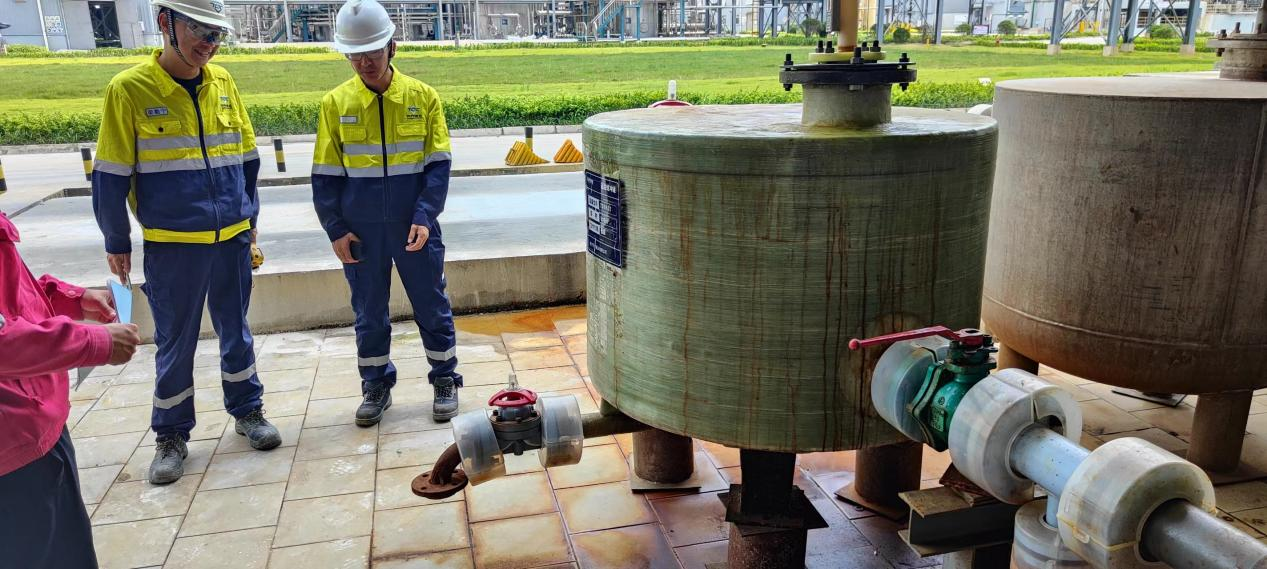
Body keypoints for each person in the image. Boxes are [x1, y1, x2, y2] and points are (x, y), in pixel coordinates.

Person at [91, 0, 281, 485]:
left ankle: (248, 410)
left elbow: (247, 160)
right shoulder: (129, 90)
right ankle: (171, 435)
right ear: (165, 23)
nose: (209, 44)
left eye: (217, 35)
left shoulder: (223, 83)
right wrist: (116, 239)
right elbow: (110, 174)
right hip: (173, 245)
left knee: (236, 330)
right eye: (199, 30)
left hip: (231, 238)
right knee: (176, 342)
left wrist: (250, 218)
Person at [311, 0, 462, 426]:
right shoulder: (335, 103)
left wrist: (425, 216)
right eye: (355, 55)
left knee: (431, 304)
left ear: (392, 46)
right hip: (360, 231)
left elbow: (438, 166)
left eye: (372, 52)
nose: (364, 63)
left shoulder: (422, 98)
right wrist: (335, 229)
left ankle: (445, 379)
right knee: (368, 312)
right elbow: (324, 174)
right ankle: (375, 385)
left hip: (414, 226)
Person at [0, 211, 141, 568]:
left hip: (37, 427)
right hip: (13, 456)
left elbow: (11, 298)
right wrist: (95, 342)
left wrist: (71, 298)